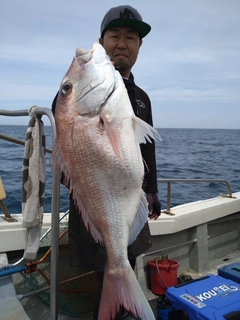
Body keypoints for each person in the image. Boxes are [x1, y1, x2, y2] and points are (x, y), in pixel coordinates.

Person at [52, 5, 161, 320]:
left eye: (131, 37)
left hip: (130, 198)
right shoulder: (74, 103)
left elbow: (147, 147)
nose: (122, 43)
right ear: (102, 40)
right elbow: (68, 134)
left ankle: (123, 305)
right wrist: (69, 95)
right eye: (115, 35)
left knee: (128, 262)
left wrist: (151, 191)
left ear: (140, 47)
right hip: (96, 203)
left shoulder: (141, 98)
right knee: (101, 277)